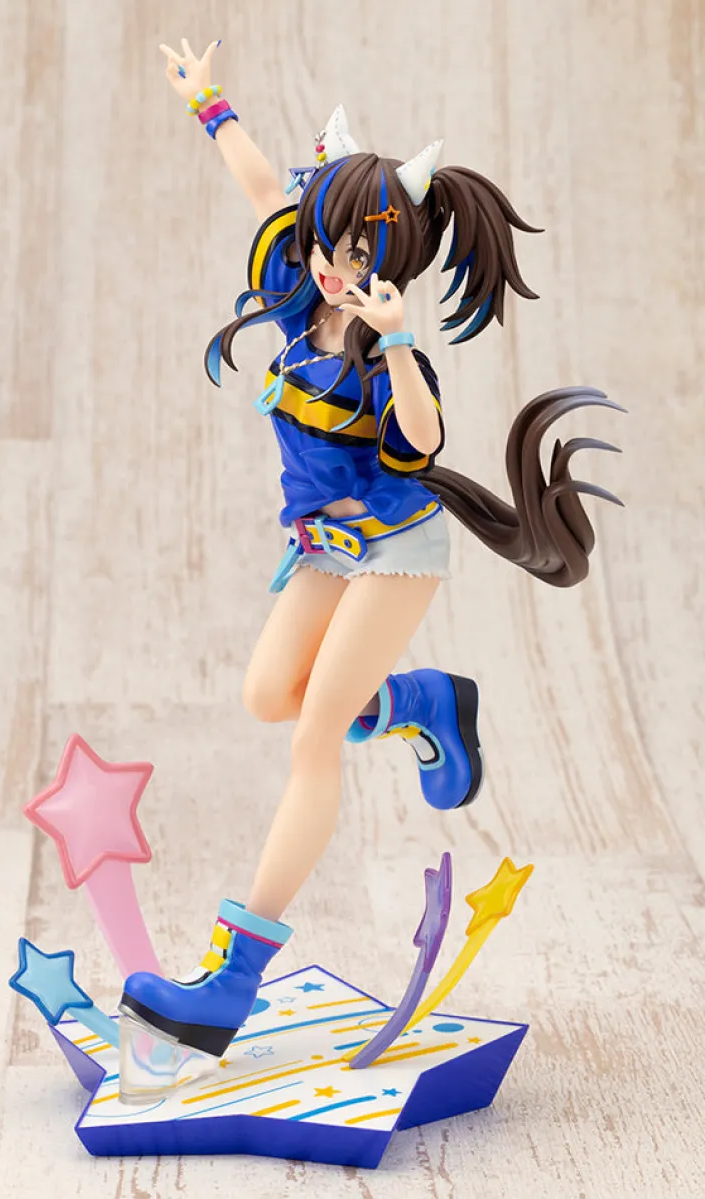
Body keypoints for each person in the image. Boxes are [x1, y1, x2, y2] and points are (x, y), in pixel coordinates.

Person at [119, 38, 622, 1060]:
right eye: (331, 244)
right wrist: (208, 102)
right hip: (323, 547)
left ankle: (228, 982)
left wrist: (394, 341)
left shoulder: (389, 351)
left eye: (362, 256)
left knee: (313, 743)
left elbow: (423, 443)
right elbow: (263, 188)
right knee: (269, 694)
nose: (337, 267)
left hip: (396, 548)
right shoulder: (296, 298)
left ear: (393, 265)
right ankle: (424, 702)